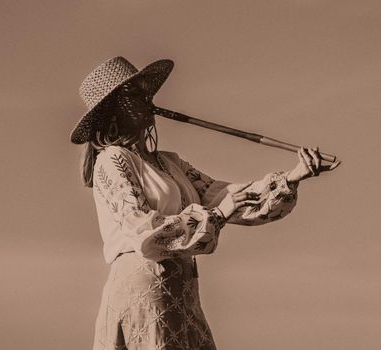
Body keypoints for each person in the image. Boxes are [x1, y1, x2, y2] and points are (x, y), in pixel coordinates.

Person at [71, 56, 336, 350]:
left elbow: (231, 196)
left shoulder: (170, 163)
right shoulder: (112, 160)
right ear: (114, 111)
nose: (147, 99)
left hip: (182, 295)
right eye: (134, 94)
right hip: (143, 293)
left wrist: (293, 176)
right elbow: (143, 231)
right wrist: (219, 214)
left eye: (145, 92)